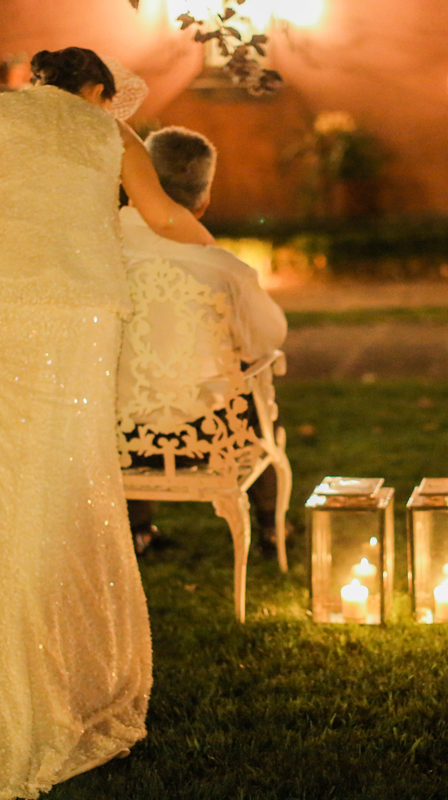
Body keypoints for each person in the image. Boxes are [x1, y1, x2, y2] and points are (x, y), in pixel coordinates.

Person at [0, 48, 215, 800]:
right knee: (65, 478)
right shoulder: (113, 134)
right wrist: (215, 248)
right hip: (77, 321)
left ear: (39, 80)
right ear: (97, 89)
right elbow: (163, 213)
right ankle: (55, 669)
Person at [118, 126, 287, 554]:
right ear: (203, 200)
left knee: (127, 389)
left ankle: (138, 531)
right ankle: (269, 529)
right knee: (259, 391)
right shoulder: (224, 270)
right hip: (209, 435)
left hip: (120, 438)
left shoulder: (98, 251)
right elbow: (268, 339)